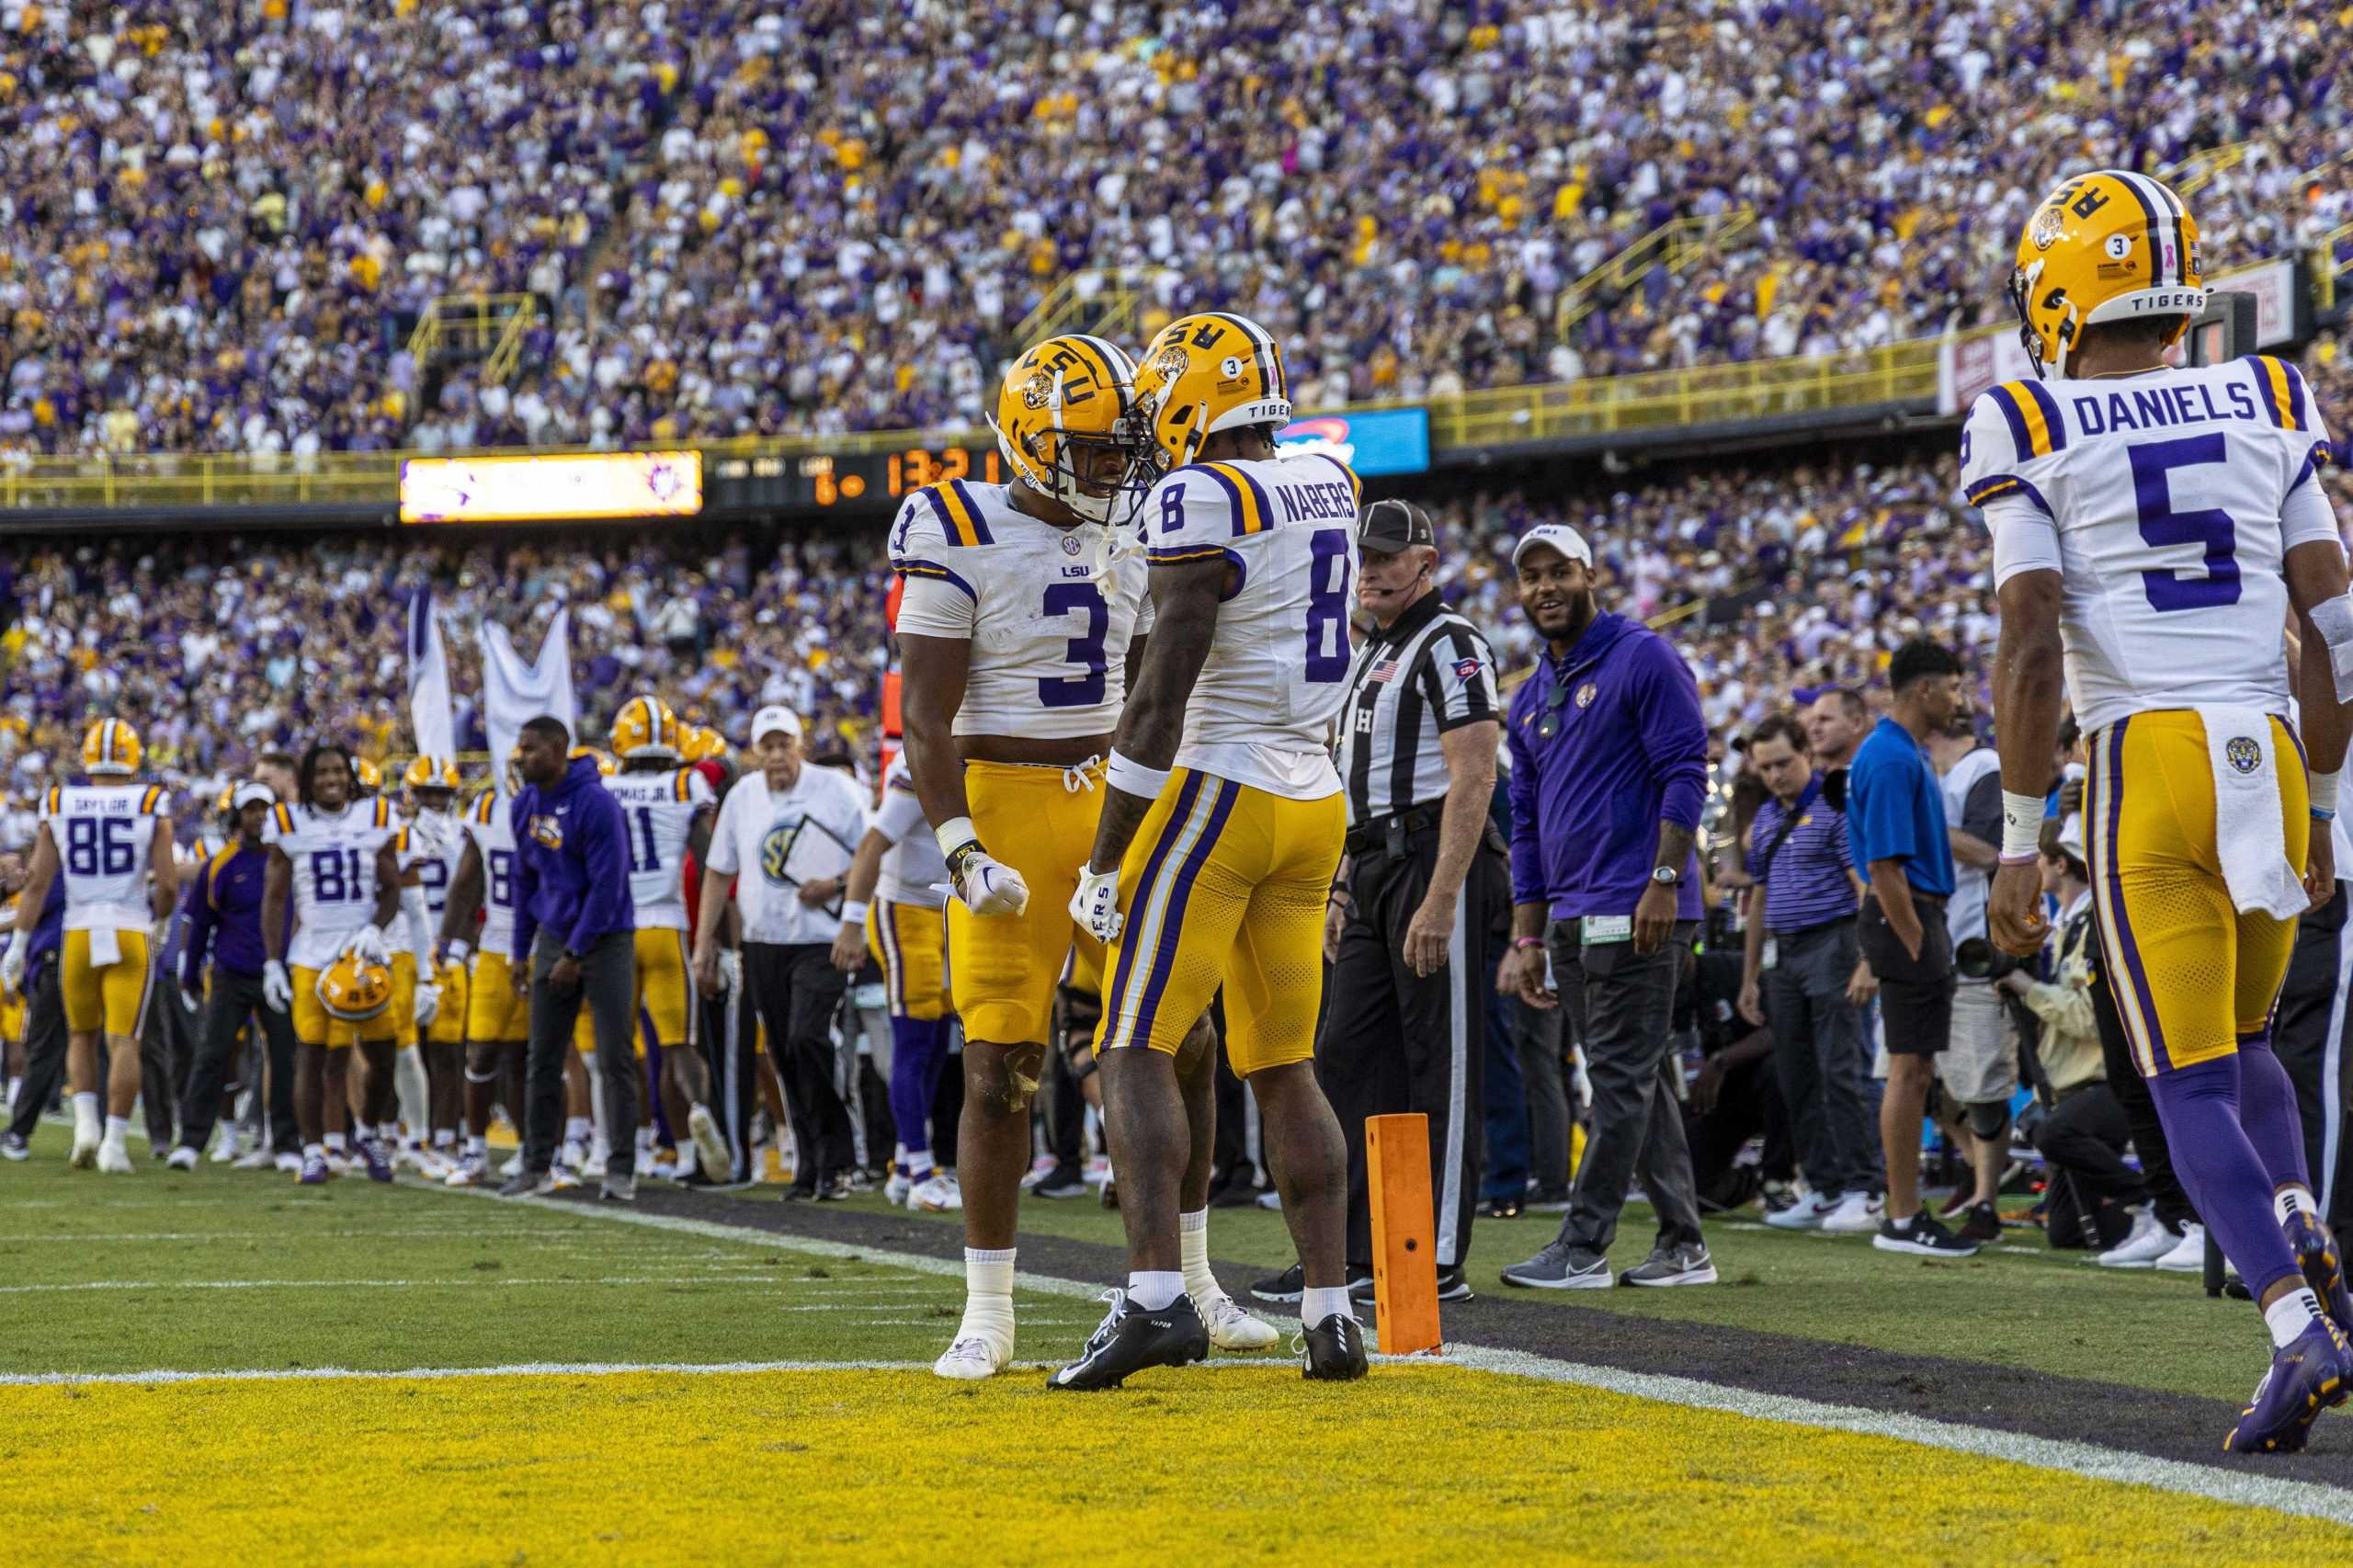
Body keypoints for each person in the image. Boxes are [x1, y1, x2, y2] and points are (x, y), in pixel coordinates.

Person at [1980, 168, 2353, 1451]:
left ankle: (2296, 1319)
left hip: (2149, 758)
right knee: (2247, 1038)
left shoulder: (2029, 413)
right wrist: (2328, 800)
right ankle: (2301, 1213)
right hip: (2266, 742)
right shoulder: (2269, 391)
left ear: (2063, 293)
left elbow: (2030, 644)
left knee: (2185, 1073)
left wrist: (2022, 841)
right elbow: (2340, 622)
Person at [890, 333, 1270, 1381]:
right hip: (1006, 796)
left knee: (1179, 1038)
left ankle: (1190, 1279)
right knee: (998, 1062)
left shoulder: (1149, 521)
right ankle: (988, 1306)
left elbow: (1158, 677)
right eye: (1095, 451)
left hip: (1113, 795)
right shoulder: (954, 523)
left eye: (1121, 450)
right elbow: (922, 717)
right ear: (1029, 436)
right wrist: (959, 842)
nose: (1114, 468)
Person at [1060, 310, 1366, 1386]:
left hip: (1222, 787)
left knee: (1132, 1042)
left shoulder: (1201, 497)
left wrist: (1105, 859)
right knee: (1284, 1063)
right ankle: (1332, 1313)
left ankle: (1152, 1299)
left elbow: (1156, 699)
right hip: (1313, 792)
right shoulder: (1330, 476)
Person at [1496, 523, 1714, 1292]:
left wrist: (1665, 877)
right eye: (1531, 577)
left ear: (1593, 574)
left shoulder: (1643, 655)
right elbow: (1524, 824)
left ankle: (1584, 1244)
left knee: (1619, 1079)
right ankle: (1684, 1244)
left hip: (1639, 903)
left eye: (1560, 571)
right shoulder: (1528, 697)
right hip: (1570, 912)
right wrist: (1526, 935)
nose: (1545, 587)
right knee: (1637, 1076)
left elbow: (1687, 768)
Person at [1308, 497, 1504, 1305]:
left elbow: (1476, 774)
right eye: (1366, 556)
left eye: (1390, 556)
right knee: (1347, 1052)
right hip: (1371, 863)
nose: (1374, 569)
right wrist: (1340, 883)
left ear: (1427, 562)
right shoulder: (1367, 652)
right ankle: (1363, 1250)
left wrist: (1442, 895)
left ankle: (1440, 1252)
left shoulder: (1452, 642)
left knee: (1440, 1061)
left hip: (1430, 855)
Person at [692, 707, 865, 1202]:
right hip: (763, 941)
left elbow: (876, 858)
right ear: (754, 753)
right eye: (765, 747)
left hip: (823, 937)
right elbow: (719, 872)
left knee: (808, 1037)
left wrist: (835, 884)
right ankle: (811, 1162)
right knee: (784, 1054)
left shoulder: (837, 790)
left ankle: (838, 1156)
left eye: (783, 745)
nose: (775, 756)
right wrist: (705, 941)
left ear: (800, 745)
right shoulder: (743, 797)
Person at [1846, 639, 1975, 1256]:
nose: (1960, 700)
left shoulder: (1898, 751)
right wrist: (1917, 939)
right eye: (1953, 687)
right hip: (1907, 914)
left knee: (1915, 1067)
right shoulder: (1894, 757)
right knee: (1909, 1068)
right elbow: (1884, 865)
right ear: (1922, 689)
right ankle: (1902, 1218)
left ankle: (1902, 1215)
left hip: (1907, 915)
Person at [3, 721, 176, 1174]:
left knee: (80, 1035)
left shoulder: (61, 800)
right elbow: (170, 884)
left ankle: (85, 1129)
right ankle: (114, 1144)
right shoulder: (149, 800)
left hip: (78, 929)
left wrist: (17, 946)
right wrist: (159, 924)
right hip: (129, 927)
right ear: (133, 755)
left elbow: (38, 882)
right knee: (125, 1040)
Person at [1738, 713, 1881, 1233]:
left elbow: (1863, 886)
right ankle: (1823, 1186)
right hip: (1786, 951)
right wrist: (1749, 976)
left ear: (1806, 755)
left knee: (1842, 1070)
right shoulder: (1768, 822)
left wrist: (1869, 958)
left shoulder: (1834, 808)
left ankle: (1866, 1188)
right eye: (1765, 767)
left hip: (1834, 942)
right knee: (1796, 1075)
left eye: (1783, 763)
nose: (1775, 775)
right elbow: (1758, 900)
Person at [505, 715, 640, 1201]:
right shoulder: (523, 806)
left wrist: (576, 952)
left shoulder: (597, 803)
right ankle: (536, 1163)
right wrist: (520, 951)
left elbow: (609, 885)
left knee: (614, 1055)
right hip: (554, 935)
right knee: (541, 1056)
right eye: (521, 748)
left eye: (531, 748)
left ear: (560, 748)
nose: (522, 757)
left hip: (606, 938)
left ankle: (621, 1167)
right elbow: (524, 882)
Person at [258, 743, 404, 1185]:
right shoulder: (289, 822)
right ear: (307, 779)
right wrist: (272, 962)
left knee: (383, 1055)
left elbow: (392, 886)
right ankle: (315, 1150)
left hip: (363, 954)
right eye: (321, 773)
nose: (330, 780)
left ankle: (369, 1131)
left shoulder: (374, 816)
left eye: (338, 771)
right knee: (311, 1056)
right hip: (312, 954)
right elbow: (275, 898)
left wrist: (376, 927)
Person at [2003, 813, 2147, 1247]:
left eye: (2040, 862)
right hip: (2075, 1083)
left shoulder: (2092, 927)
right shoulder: (2062, 927)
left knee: (2055, 1132)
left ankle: (2156, 1201)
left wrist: (2027, 989)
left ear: (2060, 864)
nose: (2035, 873)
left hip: (2107, 1082)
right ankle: (2147, 1223)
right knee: (2067, 1233)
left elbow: (2089, 1019)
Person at [604, 694, 731, 1182]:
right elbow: (705, 859)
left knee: (623, 1050)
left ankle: (636, 1148)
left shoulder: (608, 787)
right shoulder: (686, 783)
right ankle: (691, 1128)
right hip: (668, 926)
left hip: (619, 929)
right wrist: (714, 937)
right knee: (679, 1046)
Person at [829, 748, 958, 1211]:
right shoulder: (921, 763)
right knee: (913, 1038)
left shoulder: (989, 751)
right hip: (905, 909)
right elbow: (872, 844)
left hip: (950, 910)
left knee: (937, 1040)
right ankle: (922, 1170)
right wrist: (850, 922)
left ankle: (906, 1165)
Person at [169, 783, 304, 1171]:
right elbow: (199, 924)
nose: (259, 816)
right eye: (252, 809)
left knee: (284, 1058)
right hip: (232, 972)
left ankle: (285, 1143)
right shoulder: (222, 864)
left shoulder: (291, 859)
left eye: (266, 809)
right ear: (237, 816)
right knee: (211, 1055)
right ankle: (192, 1141)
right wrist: (190, 971)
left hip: (280, 971)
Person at [1929, 709, 2016, 1244]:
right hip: (1930, 946)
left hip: (1973, 947)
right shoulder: (1935, 777)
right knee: (1921, 1083)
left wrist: (1922, 825)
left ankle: (1986, 1200)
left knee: (1982, 1084)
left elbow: (1992, 855)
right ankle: (1976, 1166)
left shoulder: (1983, 767)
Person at [438, 777, 526, 1187]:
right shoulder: (489, 810)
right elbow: (467, 883)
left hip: (545, 943)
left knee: (535, 1057)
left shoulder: (561, 808)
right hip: (496, 944)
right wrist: (451, 938)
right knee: (482, 1050)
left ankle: (542, 1151)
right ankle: (475, 1149)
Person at [388, 756, 464, 1176]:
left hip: (447, 950)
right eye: (427, 794)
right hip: (406, 947)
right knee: (398, 1047)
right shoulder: (398, 835)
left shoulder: (462, 836)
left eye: (442, 794)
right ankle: (396, 1129)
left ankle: (447, 1135)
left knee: (449, 1049)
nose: (435, 803)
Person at [0, 870, 65, 1161]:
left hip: (56, 959)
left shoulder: (57, 868)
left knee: (41, 1048)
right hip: (111, 951)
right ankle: (104, 1133)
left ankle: (18, 1132)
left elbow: (36, 902)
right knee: (98, 1046)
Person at [1806, 688, 1870, 773]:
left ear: (1856, 723)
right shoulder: (1817, 778)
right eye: (1812, 721)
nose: (1814, 729)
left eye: (1824, 719)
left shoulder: (1876, 773)